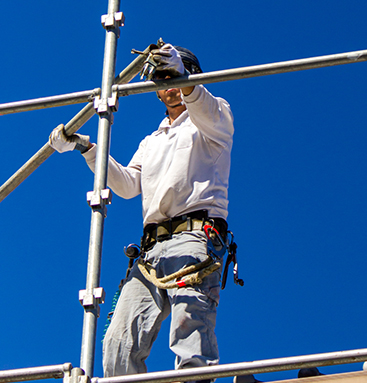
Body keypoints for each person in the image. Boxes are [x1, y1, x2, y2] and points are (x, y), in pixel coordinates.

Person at [49, 43, 234, 381]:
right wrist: (86, 148)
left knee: (189, 332)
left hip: (194, 238)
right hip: (151, 250)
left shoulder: (213, 117)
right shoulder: (151, 141)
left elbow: (202, 104)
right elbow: (128, 184)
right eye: (163, 80)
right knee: (119, 343)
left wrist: (180, 72)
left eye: (177, 77)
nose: (171, 86)